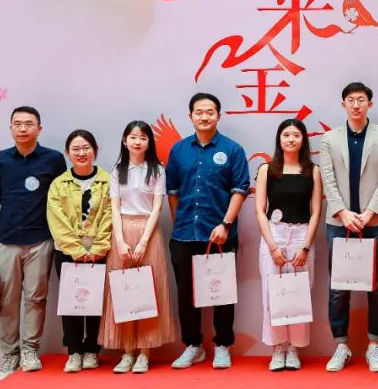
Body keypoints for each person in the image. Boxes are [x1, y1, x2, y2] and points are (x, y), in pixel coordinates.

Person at [165, 93, 250, 370]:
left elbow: (239, 190)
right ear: (190, 116)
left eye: (210, 112)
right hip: (184, 234)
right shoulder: (179, 150)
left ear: (218, 116)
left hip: (220, 234)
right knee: (186, 294)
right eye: (199, 112)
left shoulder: (233, 149)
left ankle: (223, 345)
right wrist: (180, 221)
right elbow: (173, 192)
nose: (204, 116)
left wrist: (225, 224)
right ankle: (193, 345)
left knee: (221, 292)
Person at [0, 106, 67, 379]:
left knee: (36, 298)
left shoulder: (54, 160)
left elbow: (61, 199)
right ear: (10, 128)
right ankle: (10, 354)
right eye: (17, 123)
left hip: (41, 240)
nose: (22, 128)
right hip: (7, 240)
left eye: (28, 124)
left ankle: (30, 350)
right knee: (7, 300)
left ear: (39, 129)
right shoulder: (0, 160)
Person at [319, 81, 378, 372]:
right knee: (339, 287)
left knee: (377, 286)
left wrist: (369, 213)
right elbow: (327, 177)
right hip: (339, 223)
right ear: (343, 104)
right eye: (351, 100)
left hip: (375, 222)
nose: (356, 104)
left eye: (361, 99)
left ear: (369, 104)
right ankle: (341, 345)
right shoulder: (329, 139)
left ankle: (374, 346)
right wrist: (343, 212)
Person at [100, 121, 175, 374]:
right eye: (132, 137)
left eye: (143, 137)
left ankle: (144, 352)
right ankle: (127, 352)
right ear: (125, 141)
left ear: (149, 142)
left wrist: (143, 241)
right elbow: (114, 209)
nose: (137, 141)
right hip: (121, 233)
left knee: (148, 291)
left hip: (148, 233)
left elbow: (157, 209)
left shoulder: (157, 169)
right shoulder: (117, 170)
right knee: (123, 292)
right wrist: (120, 241)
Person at [254, 118, 322, 371]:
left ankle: (293, 348)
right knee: (272, 293)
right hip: (275, 235)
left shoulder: (312, 171)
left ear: (303, 140)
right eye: (286, 135)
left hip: (302, 235)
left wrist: (305, 246)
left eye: (296, 135)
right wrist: (272, 246)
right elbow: (260, 211)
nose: (291, 139)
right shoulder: (267, 169)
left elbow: (316, 211)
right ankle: (277, 348)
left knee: (299, 293)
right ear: (279, 139)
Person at [46, 130, 112, 373]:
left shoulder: (108, 181)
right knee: (72, 301)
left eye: (86, 148)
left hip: (99, 252)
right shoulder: (58, 184)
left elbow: (110, 215)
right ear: (67, 153)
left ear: (95, 150)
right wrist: (75, 250)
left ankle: (92, 350)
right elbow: (57, 220)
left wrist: (98, 248)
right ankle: (73, 351)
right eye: (76, 149)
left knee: (95, 301)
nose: (81, 153)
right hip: (67, 252)